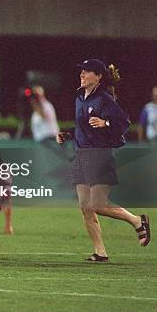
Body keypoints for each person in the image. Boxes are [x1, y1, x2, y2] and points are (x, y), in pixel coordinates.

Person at [57, 59, 150, 262]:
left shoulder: (104, 99)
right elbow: (83, 127)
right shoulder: (80, 97)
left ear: (98, 76)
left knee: (98, 204)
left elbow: (123, 123)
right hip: (81, 155)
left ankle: (137, 220)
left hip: (100, 155)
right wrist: (69, 134)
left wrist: (105, 122)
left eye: (86, 71)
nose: (81, 74)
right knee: (85, 206)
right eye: (81, 71)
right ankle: (100, 252)